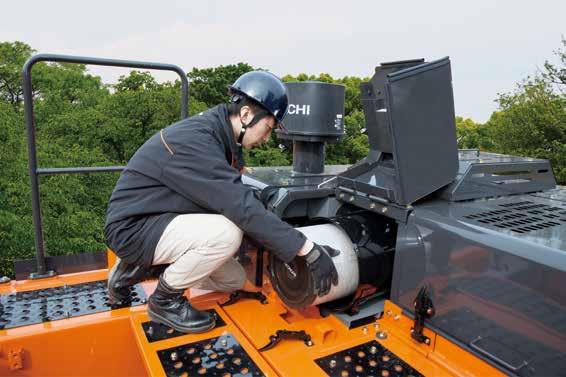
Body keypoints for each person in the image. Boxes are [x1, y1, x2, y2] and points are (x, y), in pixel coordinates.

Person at [104, 71, 339, 333]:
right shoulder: (196, 141)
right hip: (134, 227)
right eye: (268, 129)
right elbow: (240, 207)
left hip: (161, 219)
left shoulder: (222, 137)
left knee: (234, 279)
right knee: (226, 234)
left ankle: (135, 269)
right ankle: (164, 301)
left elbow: (237, 193)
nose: (265, 139)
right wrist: (307, 250)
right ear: (247, 115)